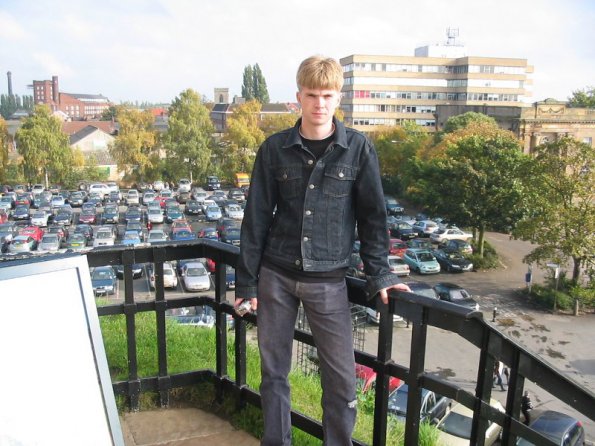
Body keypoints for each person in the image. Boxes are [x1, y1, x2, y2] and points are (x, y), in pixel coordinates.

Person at [235, 55, 410, 446]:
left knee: (342, 379)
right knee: (274, 372)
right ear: (298, 96)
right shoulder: (274, 149)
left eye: (327, 95)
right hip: (276, 275)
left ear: (338, 97)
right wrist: (246, 283)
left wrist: (379, 274)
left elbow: (373, 218)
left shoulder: (359, 150)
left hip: (328, 281)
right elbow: (256, 219)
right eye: (312, 95)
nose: (319, 104)